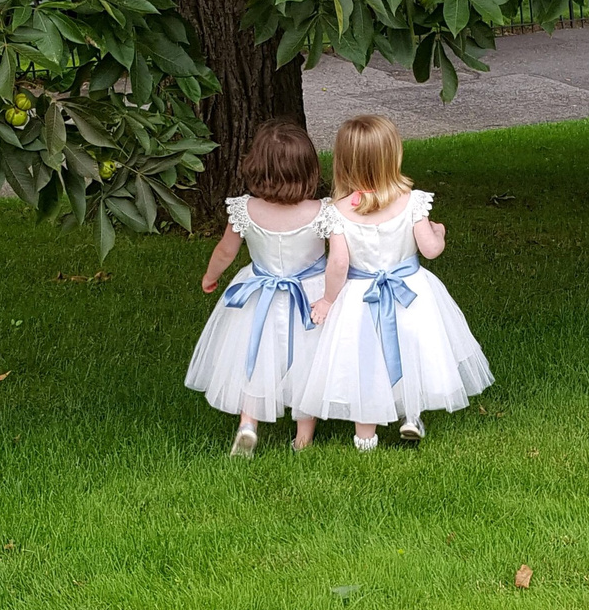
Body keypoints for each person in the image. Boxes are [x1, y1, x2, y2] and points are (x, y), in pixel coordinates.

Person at [298, 115, 494, 451]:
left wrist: (329, 300)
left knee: (364, 358)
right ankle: (410, 416)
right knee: (413, 349)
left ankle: (365, 435)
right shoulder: (412, 201)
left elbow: (339, 263)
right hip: (411, 294)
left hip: (362, 298)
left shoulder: (338, 211)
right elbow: (430, 250)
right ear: (393, 156)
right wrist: (439, 232)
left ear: (344, 161)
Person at [186, 120, 328, 456]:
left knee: (255, 356)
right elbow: (339, 257)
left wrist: (210, 276)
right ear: (308, 168)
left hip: (258, 293)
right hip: (309, 296)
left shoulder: (244, 209)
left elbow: (225, 251)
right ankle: (303, 438)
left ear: (256, 167)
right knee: (308, 360)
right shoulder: (322, 212)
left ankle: (248, 424)